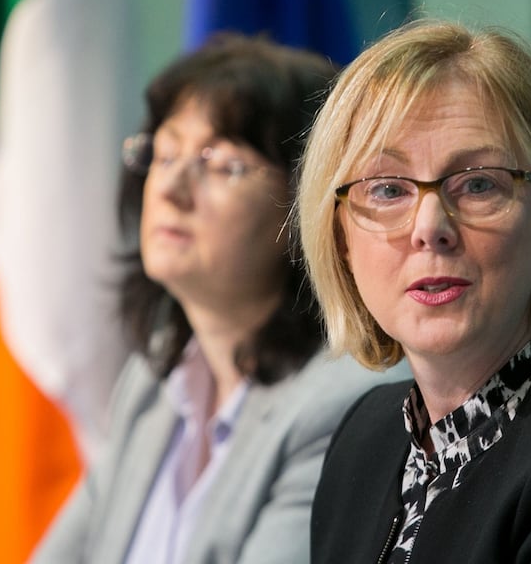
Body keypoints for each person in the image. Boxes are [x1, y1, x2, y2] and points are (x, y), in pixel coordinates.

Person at [296, 19, 531, 563]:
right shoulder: (365, 439)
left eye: (477, 184)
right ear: (341, 238)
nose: (429, 226)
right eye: (388, 189)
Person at [31, 34, 402, 563]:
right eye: (164, 152)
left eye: (222, 164)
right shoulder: (152, 383)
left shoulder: (346, 404)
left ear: (305, 208)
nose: (171, 188)